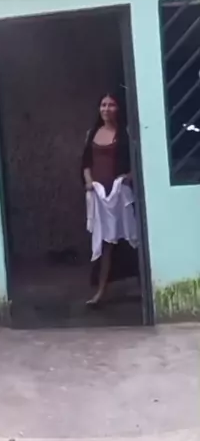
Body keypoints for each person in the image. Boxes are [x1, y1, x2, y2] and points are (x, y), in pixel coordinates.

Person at [81, 92, 136, 306]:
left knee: (132, 238)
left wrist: (127, 177)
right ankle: (101, 292)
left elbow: (136, 162)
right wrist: (89, 182)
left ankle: (144, 286)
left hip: (120, 194)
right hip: (100, 196)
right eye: (103, 105)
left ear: (118, 109)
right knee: (105, 244)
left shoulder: (126, 134)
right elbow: (86, 163)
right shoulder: (92, 133)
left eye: (111, 105)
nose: (106, 109)